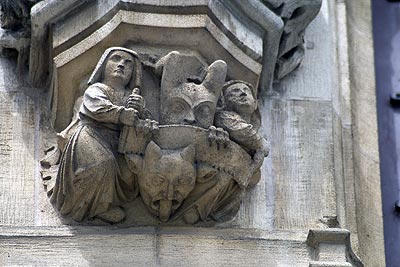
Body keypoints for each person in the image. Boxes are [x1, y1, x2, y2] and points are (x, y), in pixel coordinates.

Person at [51, 47, 151, 223]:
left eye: (128, 64)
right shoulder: (97, 88)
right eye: (116, 59)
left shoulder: (130, 95)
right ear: (104, 65)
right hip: (91, 134)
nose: (121, 65)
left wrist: (141, 110)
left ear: (133, 74)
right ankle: (95, 207)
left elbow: (143, 121)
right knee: (103, 163)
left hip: (117, 142)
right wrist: (122, 114)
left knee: (132, 172)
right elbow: (97, 108)